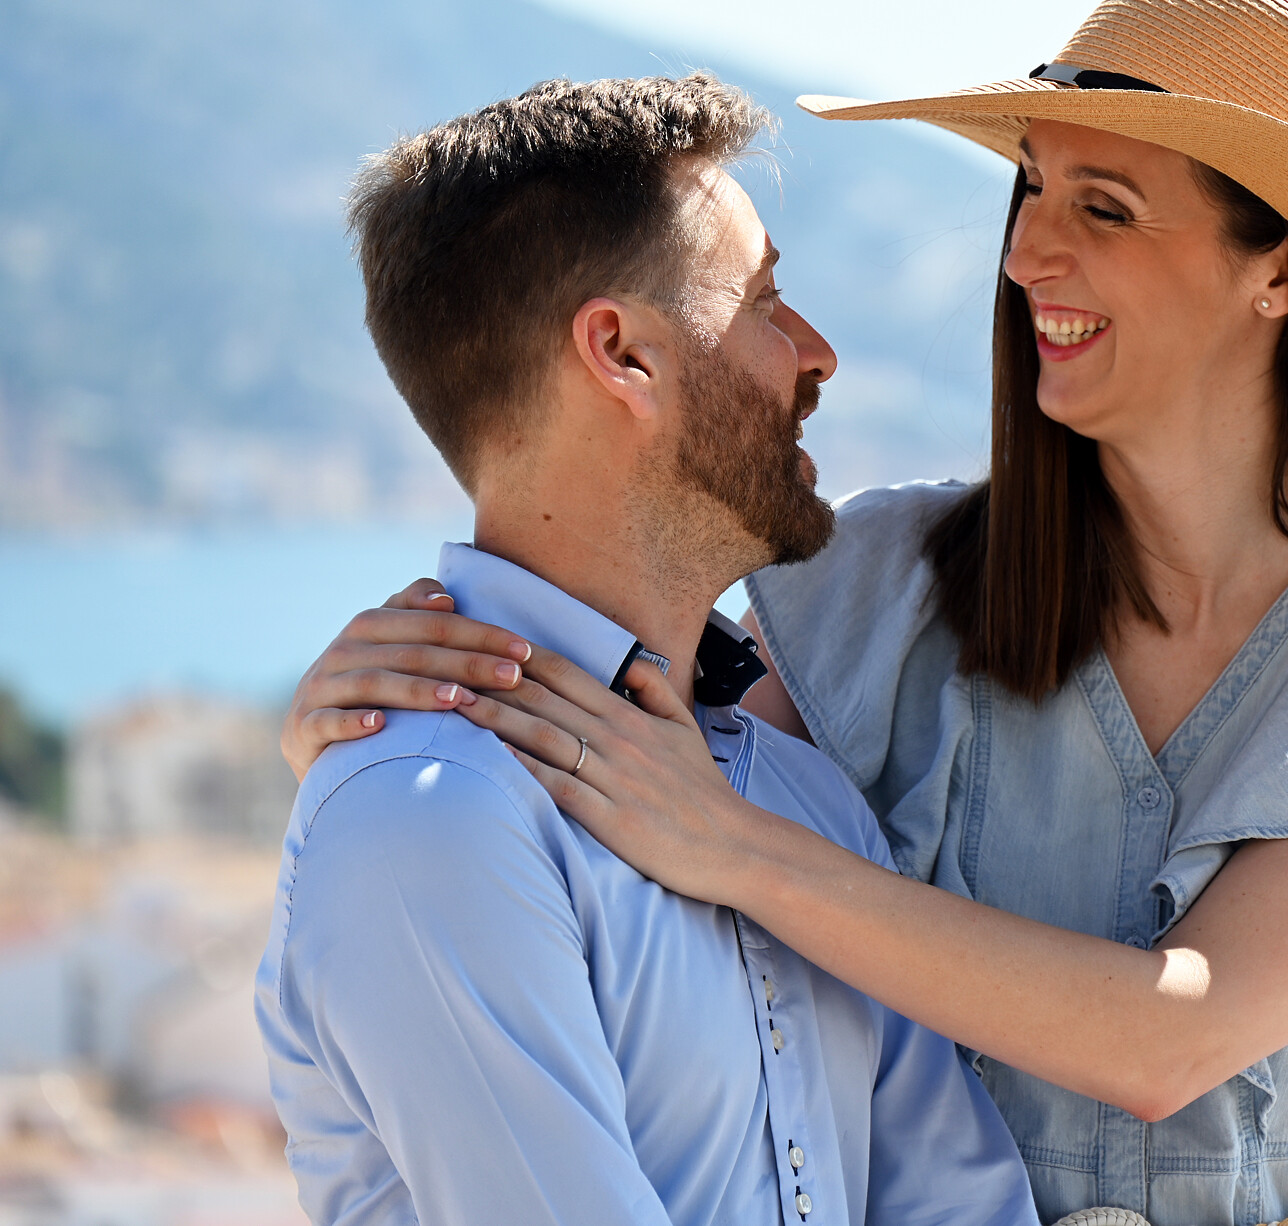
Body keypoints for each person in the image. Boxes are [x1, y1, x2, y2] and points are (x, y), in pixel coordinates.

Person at [280, 0, 1288, 1226]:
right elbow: (636, 732)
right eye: (1030, 190)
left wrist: (734, 849)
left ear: (1280, 269)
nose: (1030, 252)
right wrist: (369, 731)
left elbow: (1177, 1035)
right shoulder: (880, 585)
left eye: (1104, 207)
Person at [252, 74, 1039, 1226]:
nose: (815, 355)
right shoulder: (426, 819)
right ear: (622, 354)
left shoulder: (800, 801)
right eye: (766, 301)